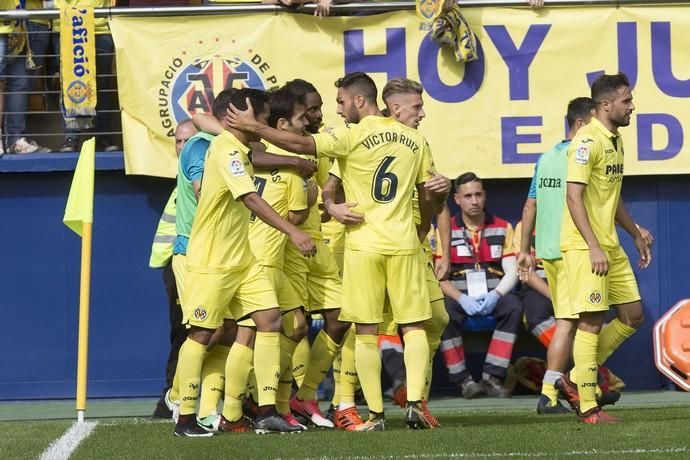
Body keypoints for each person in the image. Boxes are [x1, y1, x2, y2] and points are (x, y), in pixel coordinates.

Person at [225, 72, 439, 431]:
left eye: (340, 101)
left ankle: (375, 413)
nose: (337, 109)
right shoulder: (415, 139)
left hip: (362, 243)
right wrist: (422, 227)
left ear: (359, 101)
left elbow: (300, 147)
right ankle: (415, 403)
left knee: (366, 331)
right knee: (414, 326)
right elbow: (428, 194)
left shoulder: (350, 137)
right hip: (403, 243)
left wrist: (254, 127)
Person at [173, 88, 315, 437]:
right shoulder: (225, 150)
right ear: (241, 116)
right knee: (203, 333)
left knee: (269, 320)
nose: (264, 124)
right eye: (262, 117)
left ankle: (266, 411)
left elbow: (214, 121)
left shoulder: (238, 147)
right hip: (213, 260)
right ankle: (186, 417)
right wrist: (292, 232)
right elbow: (250, 197)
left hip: (244, 259)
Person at [556, 73, 651, 424]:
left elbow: (613, 195)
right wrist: (593, 246)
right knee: (591, 322)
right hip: (586, 247)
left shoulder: (615, 140)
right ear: (606, 105)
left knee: (633, 315)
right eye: (627, 101)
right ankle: (587, 407)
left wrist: (635, 232)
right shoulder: (586, 141)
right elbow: (573, 195)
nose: (632, 107)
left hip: (608, 244)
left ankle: (577, 377)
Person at [517, 97, 596, 414]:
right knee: (579, 322)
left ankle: (559, 390)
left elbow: (529, 206)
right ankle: (560, 389)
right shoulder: (580, 156)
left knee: (569, 321)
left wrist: (524, 250)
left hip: (548, 250)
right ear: (579, 124)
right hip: (572, 248)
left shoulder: (546, 158)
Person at [439, 172, 522, 399]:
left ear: (484, 196)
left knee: (513, 305)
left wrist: (496, 294)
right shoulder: (445, 229)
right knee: (442, 311)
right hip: (459, 296)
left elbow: (512, 270)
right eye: (467, 196)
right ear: (457, 199)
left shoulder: (503, 226)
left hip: (493, 293)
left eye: (478, 194)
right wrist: (461, 299)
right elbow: (439, 276)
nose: (474, 201)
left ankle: (491, 377)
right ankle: (463, 381)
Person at [150, 119, 198, 419]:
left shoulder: (197, 172)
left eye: (188, 141)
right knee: (184, 330)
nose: (182, 147)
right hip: (177, 263)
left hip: (199, 262)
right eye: (179, 141)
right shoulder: (186, 176)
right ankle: (171, 397)